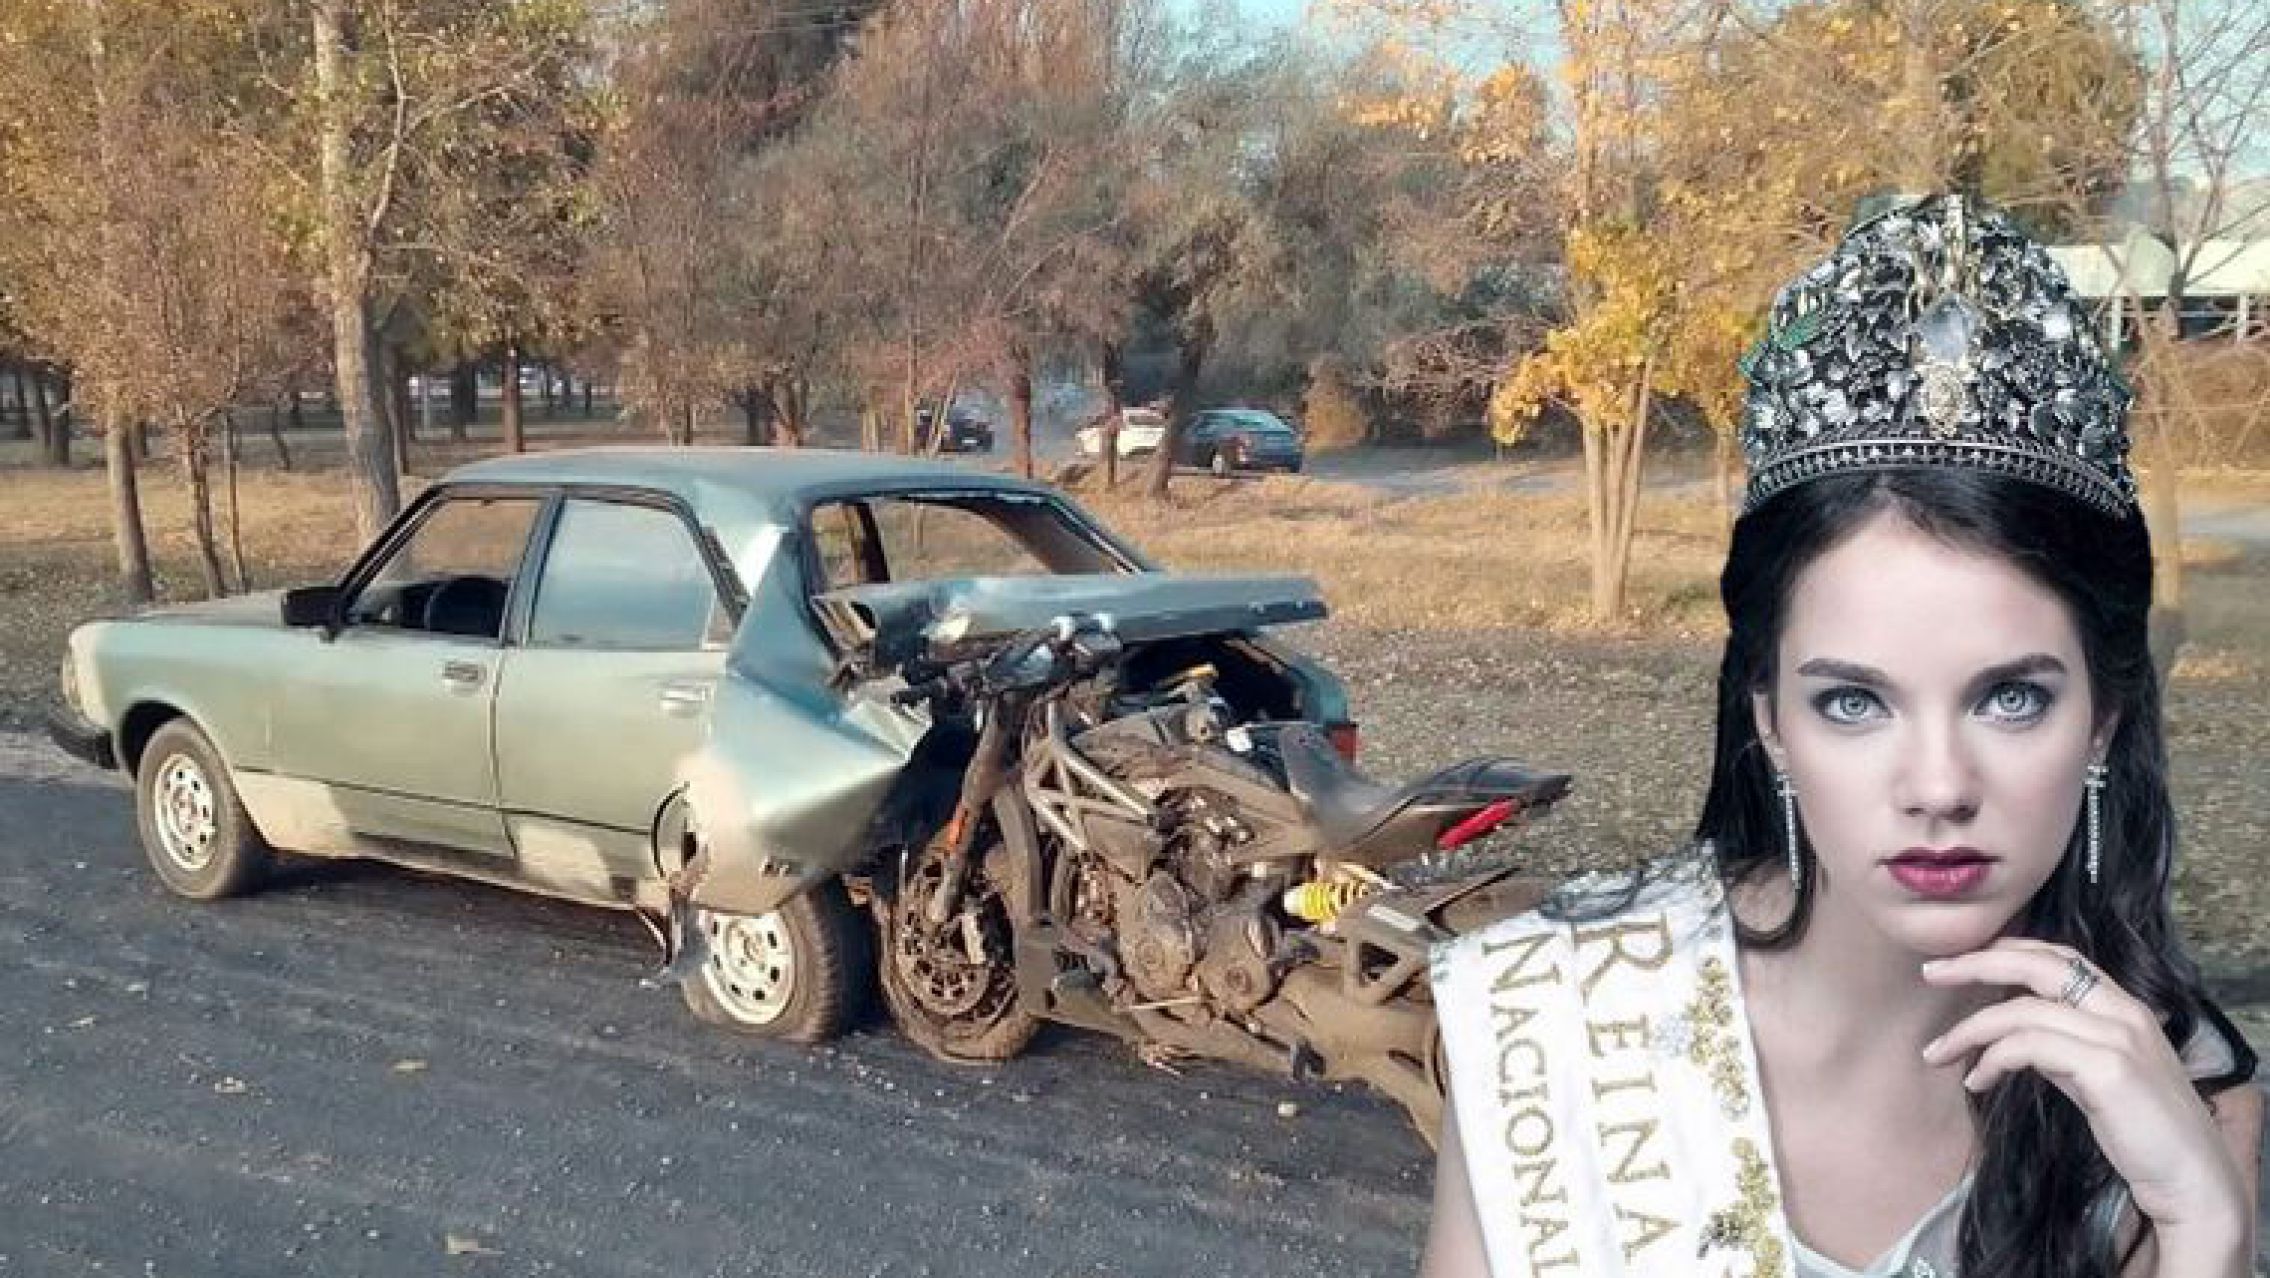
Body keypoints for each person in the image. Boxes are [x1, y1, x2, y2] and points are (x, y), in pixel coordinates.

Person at [1421, 194, 2262, 1278]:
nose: (1935, 786)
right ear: (1767, 719)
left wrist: (2202, 1229)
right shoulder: (1553, 1013)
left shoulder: (2177, 1096)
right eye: (1852, 703)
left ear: (2101, 715)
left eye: (2008, 698)